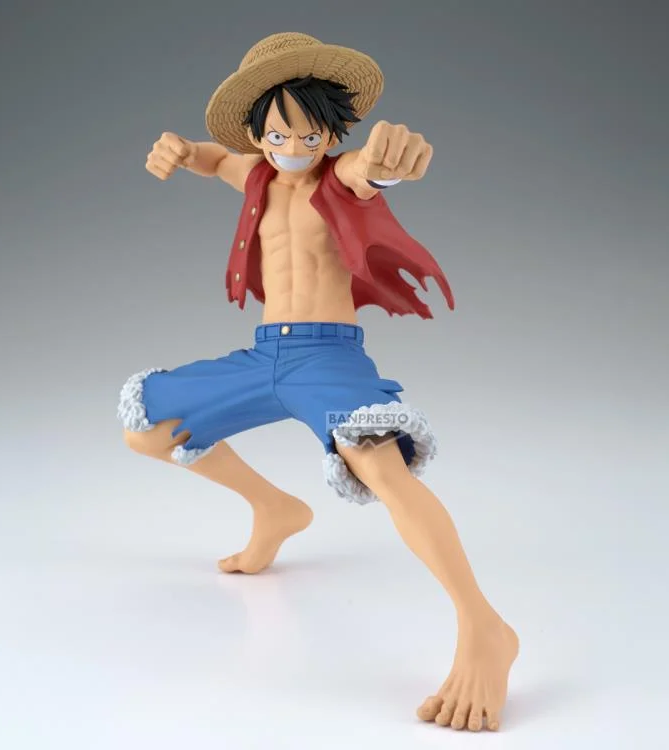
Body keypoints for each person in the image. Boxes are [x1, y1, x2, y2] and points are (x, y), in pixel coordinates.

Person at [118, 32, 518, 733]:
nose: (295, 147)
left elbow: (373, 171)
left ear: (334, 133)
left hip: (328, 361)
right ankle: (275, 508)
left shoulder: (341, 176)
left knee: (384, 471)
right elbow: (215, 159)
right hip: (264, 356)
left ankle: (484, 625)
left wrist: (392, 162)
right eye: (278, 135)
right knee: (149, 428)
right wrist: (180, 151)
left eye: (311, 134)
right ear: (257, 136)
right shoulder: (254, 175)